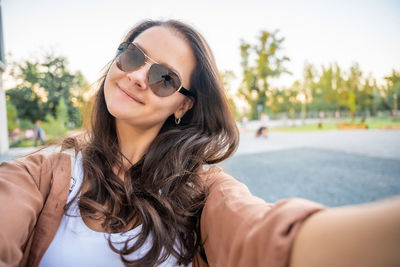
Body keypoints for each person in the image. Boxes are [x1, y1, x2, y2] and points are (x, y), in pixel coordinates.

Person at [0, 19, 399, 267]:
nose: (139, 76)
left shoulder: (205, 193)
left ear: (183, 104)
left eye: (165, 78)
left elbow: (264, 239)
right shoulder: (43, 174)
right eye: (134, 56)